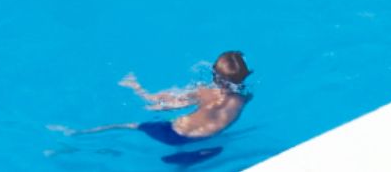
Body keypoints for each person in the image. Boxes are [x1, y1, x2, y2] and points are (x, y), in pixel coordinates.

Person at [53, 51, 252, 147]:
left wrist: (139, 90)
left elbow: (166, 104)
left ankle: (76, 134)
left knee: (126, 125)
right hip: (205, 139)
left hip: (177, 133)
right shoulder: (244, 98)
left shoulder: (203, 91)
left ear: (214, 73)